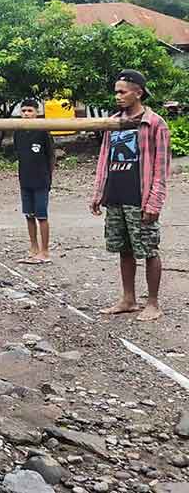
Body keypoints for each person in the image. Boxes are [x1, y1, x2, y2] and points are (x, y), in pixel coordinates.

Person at [91, 69, 170, 322]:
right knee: (123, 249)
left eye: (122, 91)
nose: (117, 96)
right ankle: (128, 299)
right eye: (115, 91)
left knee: (148, 249)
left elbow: (160, 167)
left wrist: (154, 200)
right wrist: (98, 192)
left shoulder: (155, 123)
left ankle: (153, 303)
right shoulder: (113, 122)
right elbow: (104, 159)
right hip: (116, 195)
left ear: (138, 92)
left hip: (140, 196)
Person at [14, 99, 55, 264]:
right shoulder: (17, 132)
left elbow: (51, 156)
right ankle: (34, 247)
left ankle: (45, 251)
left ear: (37, 112)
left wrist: (49, 177)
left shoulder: (43, 131)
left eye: (29, 110)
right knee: (28, 215)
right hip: (25, 180)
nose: (26, 114)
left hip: (41, 180)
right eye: (23, 111)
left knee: (41, 216)